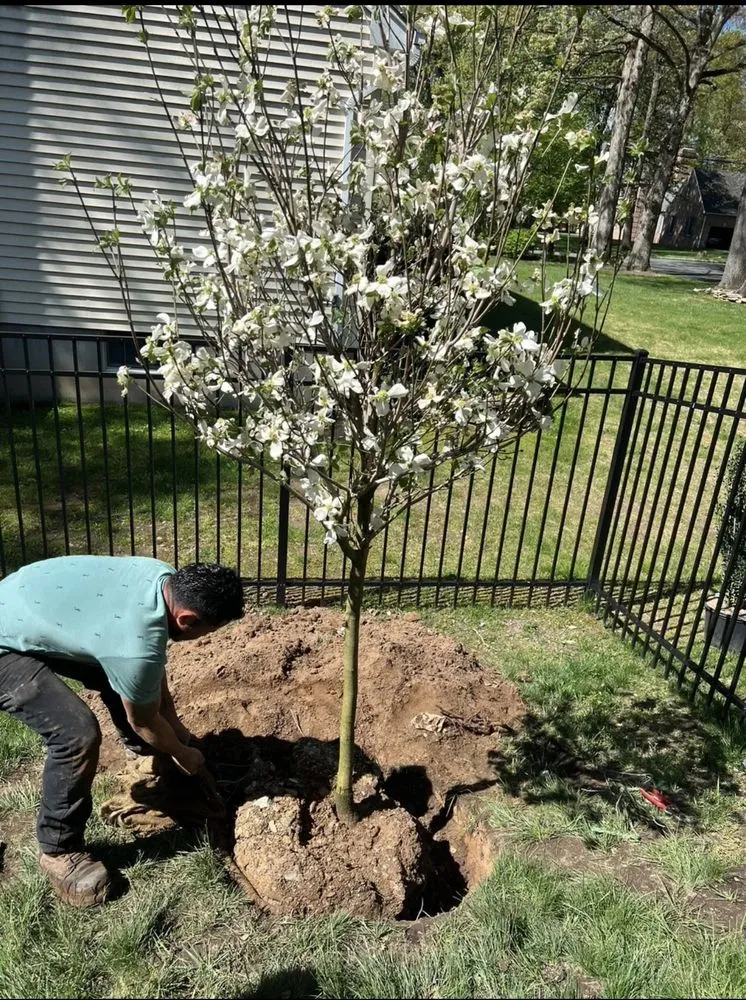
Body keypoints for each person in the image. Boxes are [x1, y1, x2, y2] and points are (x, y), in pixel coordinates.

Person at [0, 555, 244, 907]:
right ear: (187, 619)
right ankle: (59, 850)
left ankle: (150, 763)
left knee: (127, 683)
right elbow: (143, 715)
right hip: (5, 642)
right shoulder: (134, 646)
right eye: (209, 630)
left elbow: (149, 668)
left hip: (28, 604)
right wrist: (182, 752)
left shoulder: (159, 576)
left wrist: (173, 725)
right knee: (76, 734)